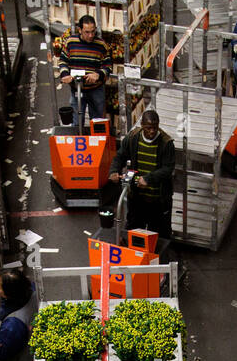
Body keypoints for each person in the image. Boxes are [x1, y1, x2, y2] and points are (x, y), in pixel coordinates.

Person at [111, 110, 175, 238]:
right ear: (141, 125)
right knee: (134, 231)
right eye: (148, 128)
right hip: (137, 198)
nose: (152, 131)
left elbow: (168, 169)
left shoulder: (166, 143)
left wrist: (148, 179)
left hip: (158, 200)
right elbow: (120, 156)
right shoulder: (133, 138)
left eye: (155, 127)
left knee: (159, 235)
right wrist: (114, 171)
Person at [57, 15, 111, 126]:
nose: (91, 35)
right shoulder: (70, 42)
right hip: (77, 89)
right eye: (87, 32)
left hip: (96, 90)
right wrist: (65, 74)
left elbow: (108, 66)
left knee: (98, 123)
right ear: (80, 30)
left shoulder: (101, 45)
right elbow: (63, 61)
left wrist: (98, 74)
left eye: (93, 31)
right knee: (76, 122)